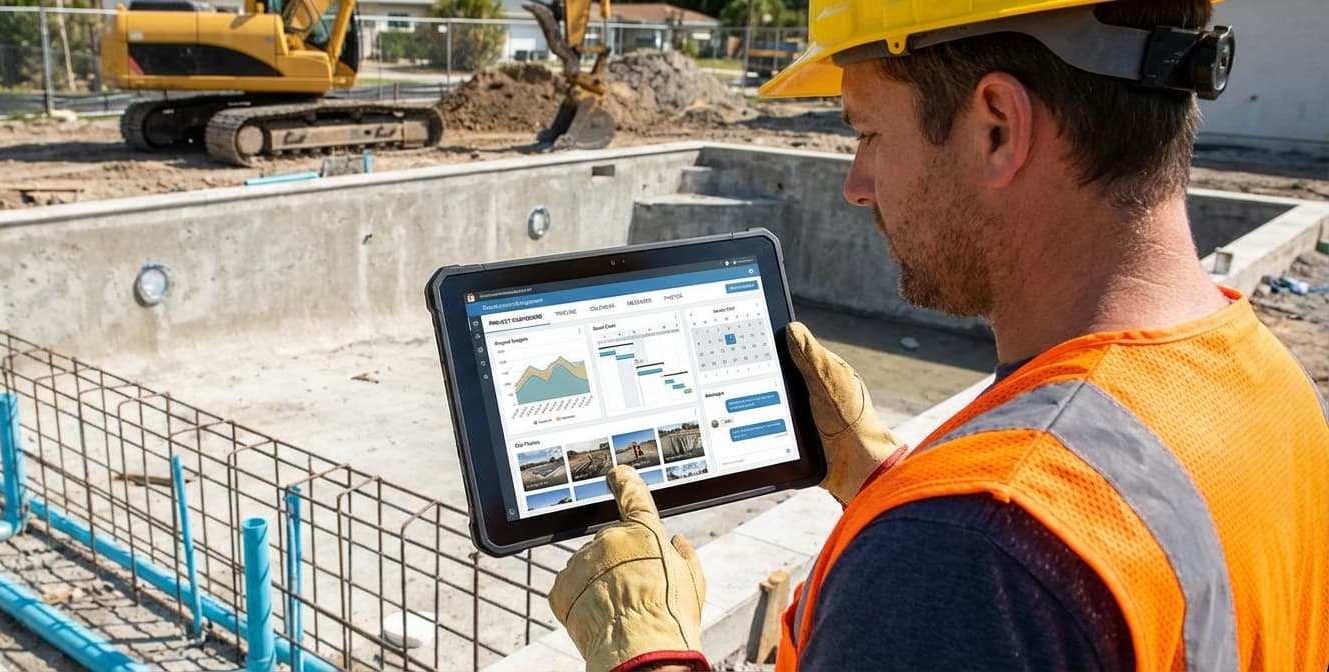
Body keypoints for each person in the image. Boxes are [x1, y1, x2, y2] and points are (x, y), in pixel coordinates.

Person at [546, 1, 1329, 670]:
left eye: (868, 134)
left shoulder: (968, 557)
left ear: (996, 128)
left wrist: (645, 653)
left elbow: (989, 572)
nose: (856, 184)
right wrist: (877, 476)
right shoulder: (1268, 383)